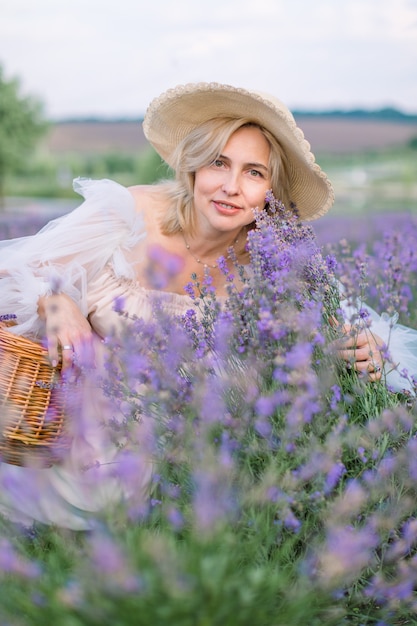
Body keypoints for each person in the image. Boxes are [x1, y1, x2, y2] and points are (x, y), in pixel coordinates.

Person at [0, 82, 415, 530]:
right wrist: (57, 300)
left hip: (170, 460)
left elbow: (343, 326)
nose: (231, 187)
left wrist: (364, 346)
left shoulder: (274, 266)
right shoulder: (130, 212)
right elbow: (20, 269)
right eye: (220, 163)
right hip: (63, 432)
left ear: (270, 192)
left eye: (254, 173)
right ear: (195, 167)